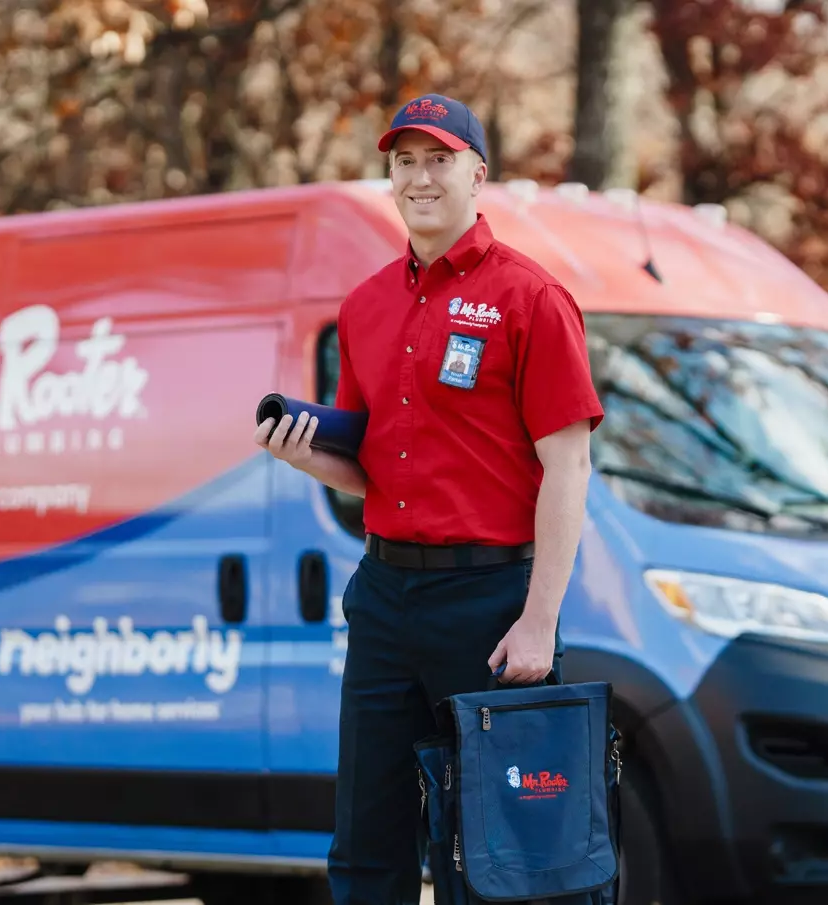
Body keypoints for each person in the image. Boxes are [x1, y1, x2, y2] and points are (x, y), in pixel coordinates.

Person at [253, 93, 604, 905]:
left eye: (438, 160)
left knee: (496, 847)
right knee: (366, 840)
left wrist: (539, 620)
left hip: (490, 602)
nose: (419, 177)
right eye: (404, 161)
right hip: (383, 598)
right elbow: (369, 464)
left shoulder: (531, 298)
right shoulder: (366, 304)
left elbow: (570, 467)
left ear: (477, 175)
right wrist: (305, 457)